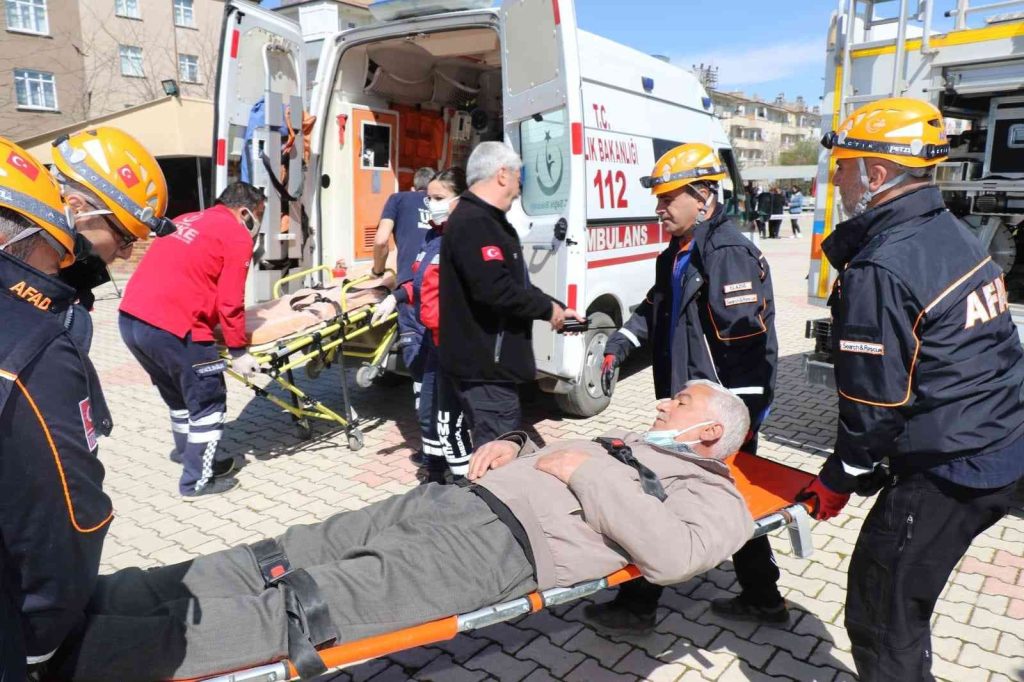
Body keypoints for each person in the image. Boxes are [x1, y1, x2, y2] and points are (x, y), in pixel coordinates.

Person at [51, 381, 753, 682]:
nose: (664, 400)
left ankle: (77, 658)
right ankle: (104, 603)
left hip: (500, 552)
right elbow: (560, 462)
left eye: (680, 399)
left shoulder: (715, 494)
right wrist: (514, 445)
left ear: (711, 430)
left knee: (312, 601)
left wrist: (585, 475)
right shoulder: (640, 439)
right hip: (450, 503)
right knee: (285, 551)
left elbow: (673, 559)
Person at [803, 97, 1024, 681]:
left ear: (876, 174)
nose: (838, 178)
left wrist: (839, 478)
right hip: (995, 445)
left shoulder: (885, 265)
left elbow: (874, 406)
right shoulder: (951, 232)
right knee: (902, 603)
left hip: (952, 470)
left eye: (843, 166)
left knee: (882, 615)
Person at [592, 143, 781, 633]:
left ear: (703, 197)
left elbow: (748, 351)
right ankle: (763, 595)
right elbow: (654, 310)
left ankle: (638, 605)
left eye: (667, 198)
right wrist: (619, 342)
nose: (658, 208)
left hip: (713, 417)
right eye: (657, 198)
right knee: (727, 497)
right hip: (687, 407)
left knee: (661, 492)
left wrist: (737, 426)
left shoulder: (728, 254)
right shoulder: (676, 254)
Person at [0, 139, 113, 680]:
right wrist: (43, 643)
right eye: (54, 253)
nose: (61, 272)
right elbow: (69, 523)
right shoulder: (31, 352)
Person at [118, 182, 267, 499]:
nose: (258, 224)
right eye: (259, 215)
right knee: (208, 400)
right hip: (176, 326)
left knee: (179, 397)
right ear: (244, 211)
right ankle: (196, 481)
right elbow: (231, 300)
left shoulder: (187, 218)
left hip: (131, 319)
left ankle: (186, 454)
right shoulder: (236, 233)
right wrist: (238, 349)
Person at [438, 142, 584, 447]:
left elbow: (516, 284)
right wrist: (547, 311)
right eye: (519, 177)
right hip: (485, 370)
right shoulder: (474, 222)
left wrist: (557, 309)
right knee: (498, 459)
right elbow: (495, 290)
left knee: (493, 449)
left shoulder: (488, 220)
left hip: (488, 367)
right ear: (502, 174)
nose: (519, 188)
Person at [373, 169, 472, 482]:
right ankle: (434, 472)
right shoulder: (434, 235)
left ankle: (464, 484)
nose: (429, 203)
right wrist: (396, 297)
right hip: (433, 339)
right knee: (429, 414)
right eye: (428, 197)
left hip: (458, 343)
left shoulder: (469, 237)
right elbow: (419, 281)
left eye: (438, 198)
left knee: (449, 422)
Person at [50, 127, 175, 313]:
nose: (127, 255)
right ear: (77, 208)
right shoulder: (13, 282)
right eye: (124, 238)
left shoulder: (62, 281)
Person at [371, 167, 434, 380]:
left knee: (416, 352)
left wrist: (377, 271)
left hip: (410, 288)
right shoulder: (445, 203)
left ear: (413, 187)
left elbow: (381, 241)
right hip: (438, 286)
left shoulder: (398, 199)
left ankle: (424, 399)